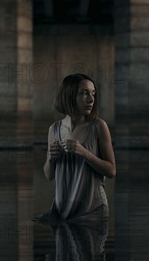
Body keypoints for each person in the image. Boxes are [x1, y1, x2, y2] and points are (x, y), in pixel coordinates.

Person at [40, 73, 116, 222]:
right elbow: (49, 175)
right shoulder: (54, 129)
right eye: (84, 93)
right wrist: (51, 158)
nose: (91, 99)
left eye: (93, 94)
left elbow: (111, 171)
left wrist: (84, 153)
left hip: (92, 212)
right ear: (70, 95)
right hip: (62, 212)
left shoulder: (99, 126)